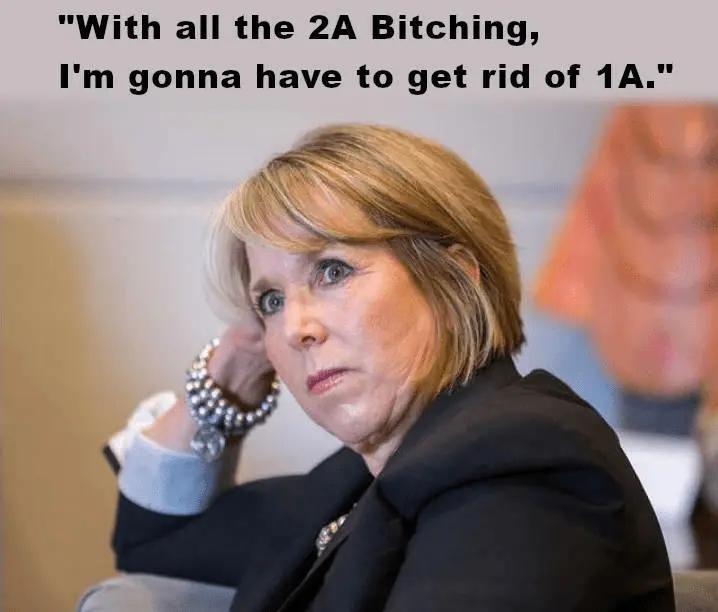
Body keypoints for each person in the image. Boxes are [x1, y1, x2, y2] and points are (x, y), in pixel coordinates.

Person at [80, 123, 675, 612]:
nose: (295, 327)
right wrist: (225, 382)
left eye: (332, 271)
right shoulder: (352, 483)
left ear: (452, 280)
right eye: (271, 300)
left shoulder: (522, 459)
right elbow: (153, 539)